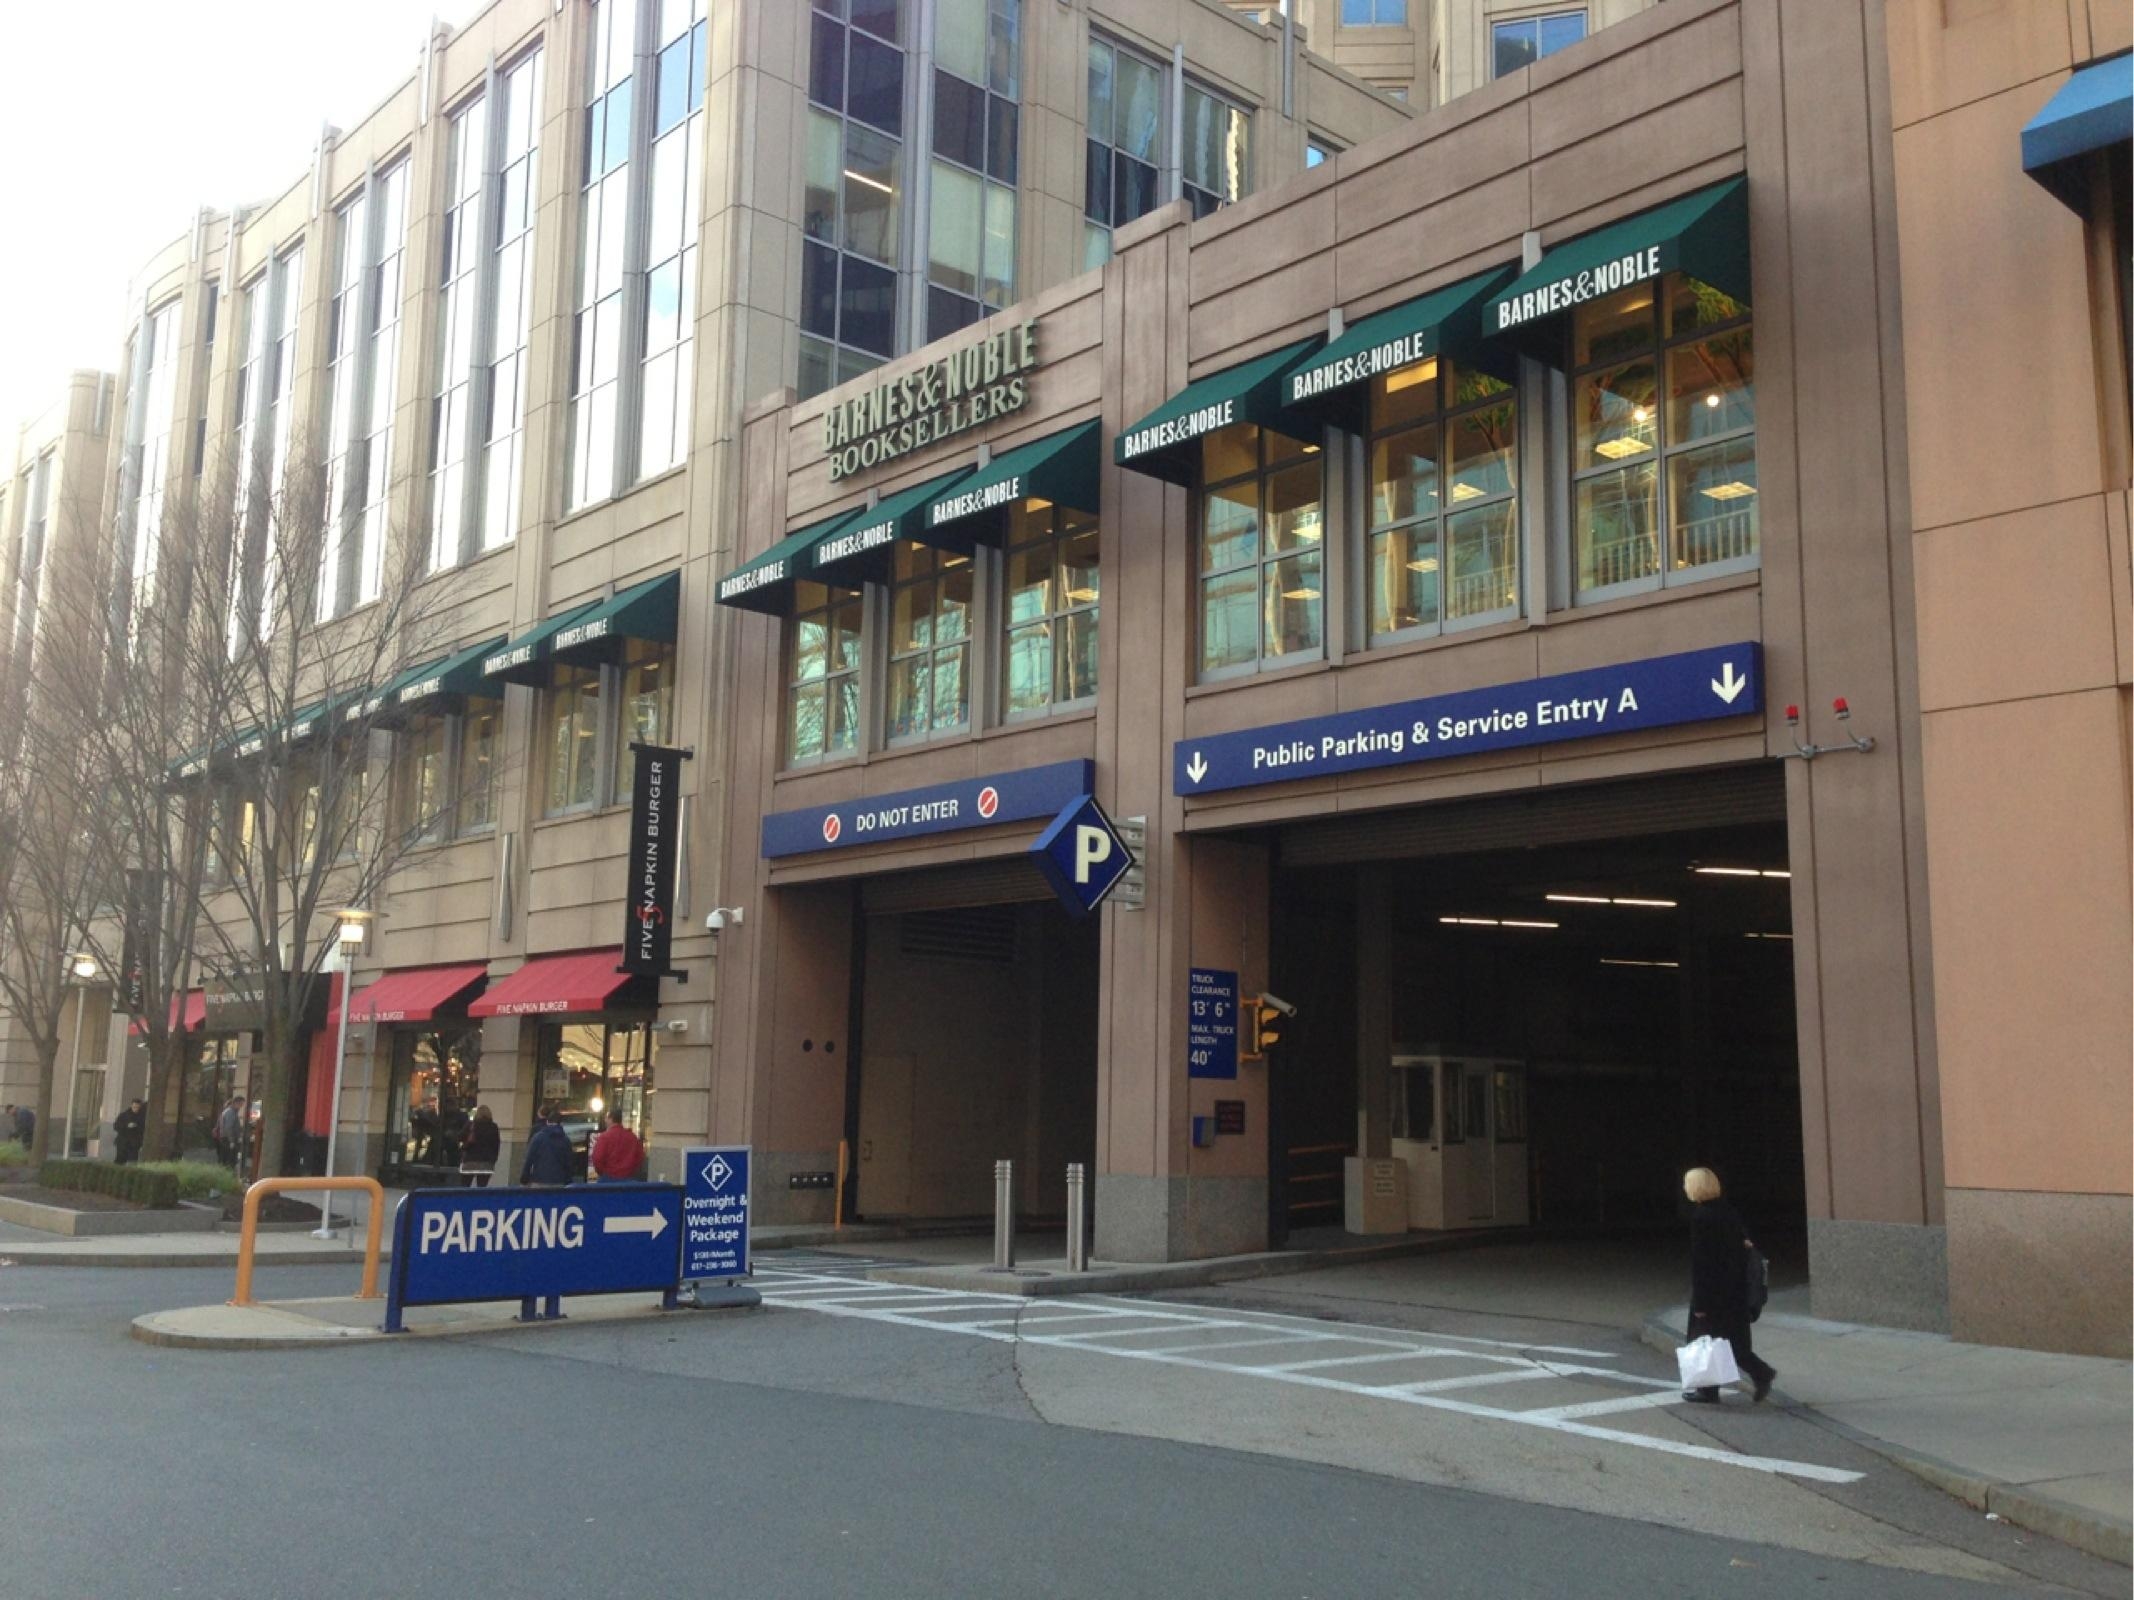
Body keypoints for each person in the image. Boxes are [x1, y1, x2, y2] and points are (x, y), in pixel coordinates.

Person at [1683, 1166, 1777, 1404]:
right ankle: (1756, 1375)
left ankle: (1715, 1387)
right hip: (1735, 1290)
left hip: (1714, 1292)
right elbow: (1741, 1247)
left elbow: (1702, 1263)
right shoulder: (1728, 1211)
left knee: (1704, 1341)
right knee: (1732, 1342)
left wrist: (1701, 1303)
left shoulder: (1701, 1218)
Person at [518, 1106, 574, 1187]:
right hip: (559, 1181)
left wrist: (524, 1179)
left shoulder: (538, 1137)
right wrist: (568, 1180)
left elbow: (529, 1159)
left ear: (547, 1122)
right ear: (561, 1123)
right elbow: (569, 1162)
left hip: (539, 1180)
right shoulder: (566, 1140)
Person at [589, 1110, 645, 1182]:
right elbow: (640, 1156)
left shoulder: (605, 1137)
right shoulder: (632, 1137)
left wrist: (602, 1172)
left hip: (608, 1178)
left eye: (606, 1118)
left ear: (610, 1119)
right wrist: (631, 1170)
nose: (605, 1120)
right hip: (628, 1178)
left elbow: (597, 1158)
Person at [459, 1105, 500, 1188]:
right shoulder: (493, 1127)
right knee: (482, 1188)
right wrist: (493, 1160)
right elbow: (496, 1145)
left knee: (465, 1187)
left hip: (470, 1161)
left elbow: (460, 1137)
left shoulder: (471, 1125)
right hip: (486, 1163)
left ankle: (465, 1201)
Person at [113, 1099, 147, 1165]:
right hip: (123, 1142)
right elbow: (116, 1126)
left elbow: (143, 1129)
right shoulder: (124, 1115)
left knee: (132, 1162)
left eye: (137, 1107)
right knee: (120, 1161)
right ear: (131, 1106)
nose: (136, 1109)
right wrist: (127, 1126)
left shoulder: (142, 1117)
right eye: (134, 1107)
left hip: (134, 1144)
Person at [215, 1095, 244, 1168]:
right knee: (229, 1160)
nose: (241, 1106)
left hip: (228, 1138)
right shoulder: (230, 1113)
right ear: (235, 1103)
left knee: (227, 1159)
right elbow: (228, 1127)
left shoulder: (232, 1112)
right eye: (240, 1104)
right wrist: (231, 1141)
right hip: (227, 1139)